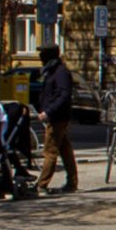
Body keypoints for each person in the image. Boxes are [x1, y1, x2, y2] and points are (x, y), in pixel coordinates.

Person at [33, 44, 78, 194]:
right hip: (56, 117)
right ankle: (72, 183)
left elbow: (63, 95)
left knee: (50, 151)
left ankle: (42, 184)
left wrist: (48, 112)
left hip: (57, 118)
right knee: (65, 151)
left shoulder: (60, 72)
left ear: (50, 56)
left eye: (42, 54)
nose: (40, 58)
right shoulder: (52, 71)